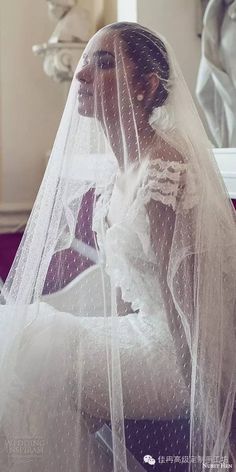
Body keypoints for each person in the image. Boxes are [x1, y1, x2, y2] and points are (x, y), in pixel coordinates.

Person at [0, 22, 235, 471]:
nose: (82, 75)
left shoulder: (163, 173)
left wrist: (216, 431)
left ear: (146, 87)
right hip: (145, 332)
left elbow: (190, 309)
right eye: (85, 61)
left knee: (36, 357)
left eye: (103, 63)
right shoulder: (119, 168)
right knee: (23, 335)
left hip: (178, 361)